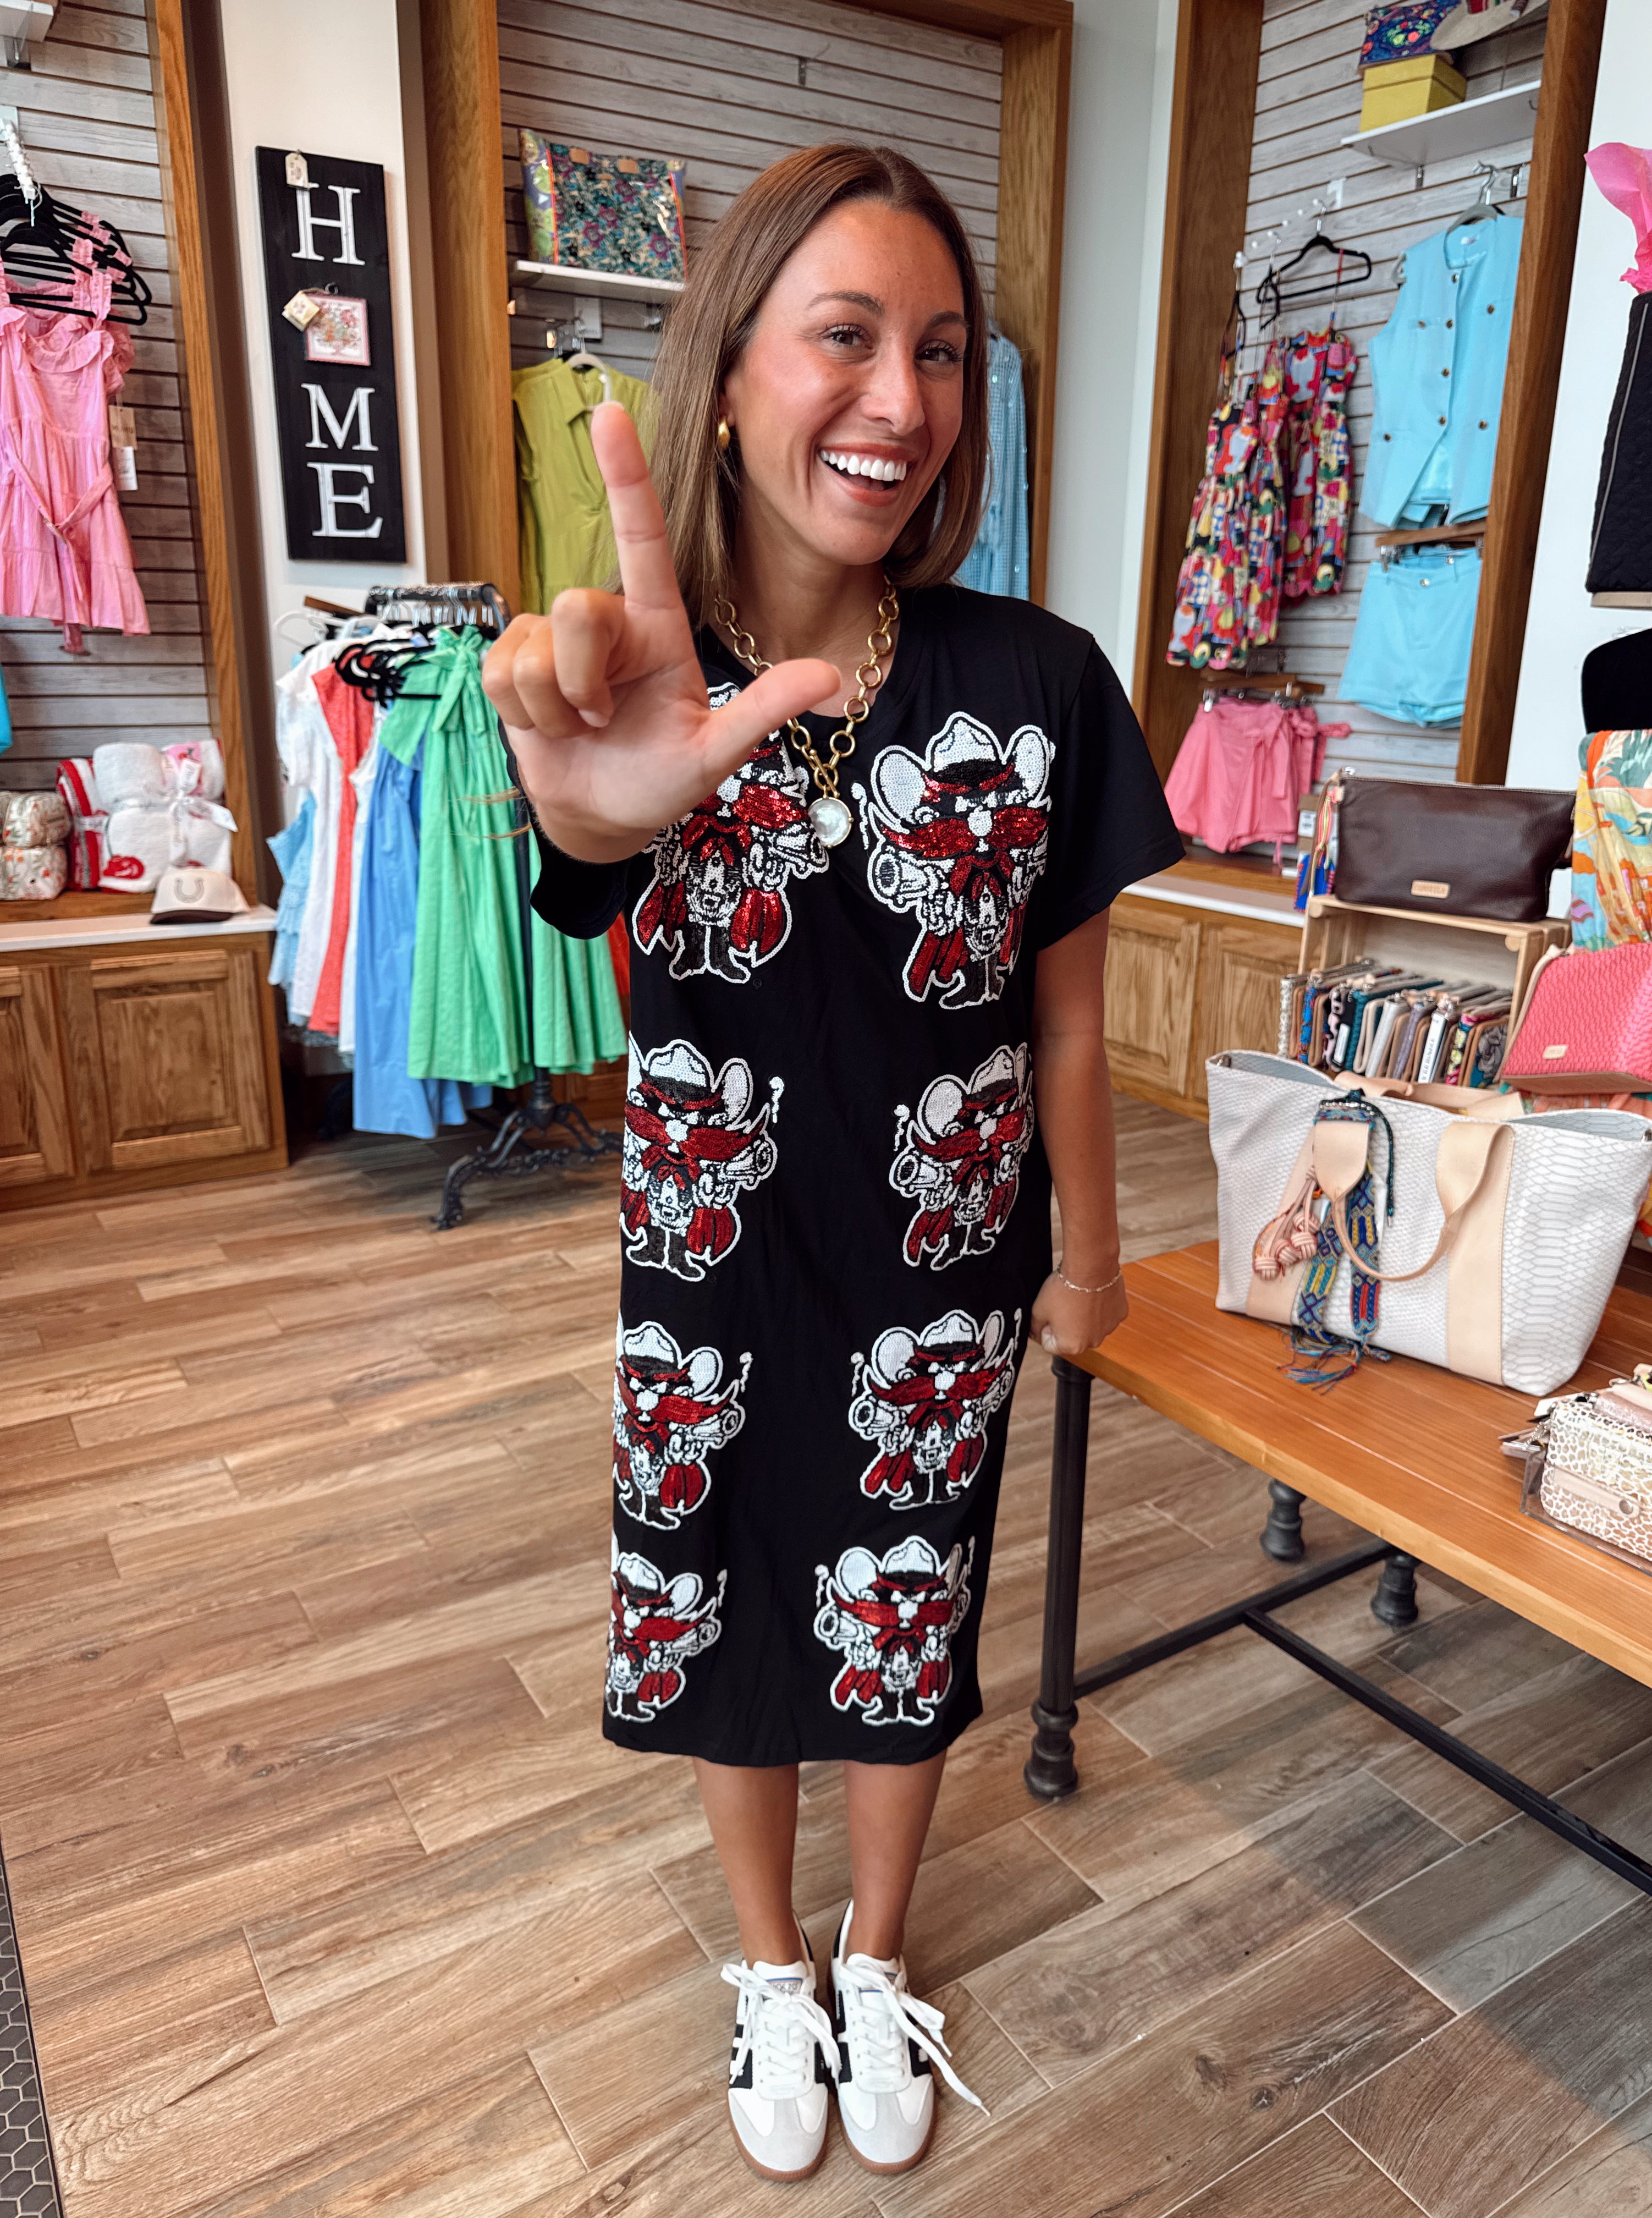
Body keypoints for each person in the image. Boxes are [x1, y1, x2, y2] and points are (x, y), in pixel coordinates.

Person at [482, 141, 1181, 2184]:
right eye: (846, 337)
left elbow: (1068, 1021)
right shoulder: (634, 677)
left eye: (942, 352)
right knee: (717, 1595)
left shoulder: (1037, 683)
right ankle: (770, 1966)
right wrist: (596, 800)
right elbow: (585, 845)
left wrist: (1090, 1256)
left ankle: (877, 1951)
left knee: (904, 1608)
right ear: (728, 376)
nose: (903, 398)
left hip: (946, 1266)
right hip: (713, 1254)